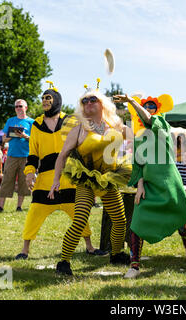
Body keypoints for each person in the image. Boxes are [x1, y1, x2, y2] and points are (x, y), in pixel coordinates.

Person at [49, 84, 132, 276]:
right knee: (80, 220)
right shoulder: (78, 130)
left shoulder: (116, 126)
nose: (88, 103)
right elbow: (62, 156)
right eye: (84, 101)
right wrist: (56, 180)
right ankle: (64, 262)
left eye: (92, 99)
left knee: (120, 220)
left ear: (103, 104)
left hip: (109, 178)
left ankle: (117, 254)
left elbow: (140, 137)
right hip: (85, 179)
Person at [113, 93, 186, 279]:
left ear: (158, 110)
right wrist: (140, 184)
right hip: (149, 185)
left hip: (169, 183)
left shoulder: (162, 125)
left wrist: (131, 101)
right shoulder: (139, 136)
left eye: (152, 106)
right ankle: (134, 266)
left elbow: (149, 119)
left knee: (182, 218)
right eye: (146, 106)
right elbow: (139, 163)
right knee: (136, 224)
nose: (149, 109)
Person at [15, 83, 100, 261]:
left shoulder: (72, 121)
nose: (45, 101)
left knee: (79, 212)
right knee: (35, 212)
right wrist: (29, 172)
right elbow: (33, 154)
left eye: (48, 98)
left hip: (69, 178)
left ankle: (90, 246)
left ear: (57, 101)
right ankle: (25, 249)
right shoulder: (36, 125)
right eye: (43, 98)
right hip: (45, 180)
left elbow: (90, 137)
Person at [0, 99, 34, 213]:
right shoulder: (10, 120)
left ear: (25, 108)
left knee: (23, 181)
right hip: (11, 155)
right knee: (7, 180)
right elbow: (3, 139)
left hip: (26, 156)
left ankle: (19, 207)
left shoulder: (32, 122)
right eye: (16, 106)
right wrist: (13, 135)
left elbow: (36, 140)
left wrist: (24, 136)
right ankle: (0, 207)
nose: (18, 108)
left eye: (20, 106)